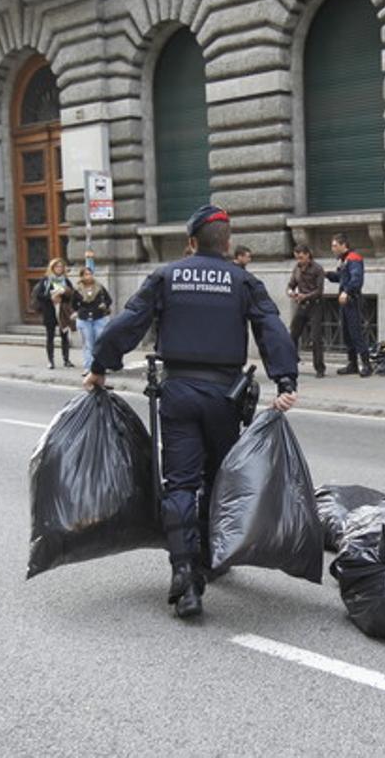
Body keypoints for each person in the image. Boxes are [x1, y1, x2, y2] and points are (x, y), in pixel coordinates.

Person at [83, 204, 298, 618]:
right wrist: (286, 381)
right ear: (228, 243)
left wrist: (98, 367)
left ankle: (184, 575)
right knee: (218, 479)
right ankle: (208, 558)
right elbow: (271, 328)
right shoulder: (243, 280)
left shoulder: (167, 276)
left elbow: (128, 323)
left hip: (179, 391)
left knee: (180, 482)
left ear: (192, 242)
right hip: (224, 397)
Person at [326, 233, 371, 377]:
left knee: (356, 333)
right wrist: (327, 274)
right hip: (345, 302)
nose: (332, 248)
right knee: (347, 333)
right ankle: (352, 364)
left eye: (335, 245)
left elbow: (356, 280)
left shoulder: (354, 258)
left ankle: (366, 364)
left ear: (343, 245)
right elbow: (341, 277)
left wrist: (346, 292)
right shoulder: (343, 260)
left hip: (353, 300)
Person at [286, 243, 326, 379]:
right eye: (297, 258)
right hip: (301, 305)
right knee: (293, 335)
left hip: (315, 304)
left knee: (316, 337)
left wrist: (305, 296)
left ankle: (319, 368)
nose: (299, 261)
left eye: (301, 258)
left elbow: (319, 291)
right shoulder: (296, 268)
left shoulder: (318, 269)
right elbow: (291, 284)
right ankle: (291, 363)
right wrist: (290, 292)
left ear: (308, 255)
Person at [32, 258, 75, 370]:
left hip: (62, 311)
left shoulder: (65, 280)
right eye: (57, 267)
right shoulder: (46, 280)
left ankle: (66, 359)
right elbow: (39, 295)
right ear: (52, 268)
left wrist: (64, 294)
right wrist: (51, 297)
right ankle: (50, 361)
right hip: (50, 311)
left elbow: (72, 295)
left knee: (64, 336)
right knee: (50, 336)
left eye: (61, 267)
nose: (59, 269)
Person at [72, 266, 113, 374]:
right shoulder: (77, 290)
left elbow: (109, 299)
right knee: (88, 344)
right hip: (84, 319)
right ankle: (89, 367)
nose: (89, 276)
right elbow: (74, 304)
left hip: (99, 317)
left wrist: (104, 304)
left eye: (90, 274)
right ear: (81, 276)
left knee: (100, 342)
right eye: (86, 274)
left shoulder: (99, 287)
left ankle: (101, 366)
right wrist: (80, 311)